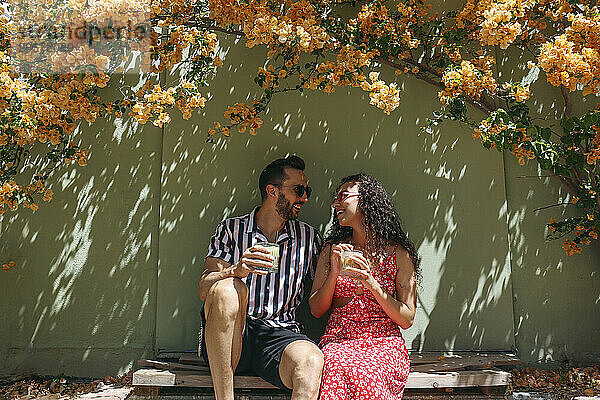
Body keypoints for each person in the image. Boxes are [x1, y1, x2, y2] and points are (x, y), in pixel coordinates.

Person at [198, 155, 324, 400]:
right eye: (299, 190)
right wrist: (236, 270)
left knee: (310, 361)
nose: (305, 198)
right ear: (272, 191)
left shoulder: (309, 238)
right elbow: (204, 289)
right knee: (228, 291)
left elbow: (322, 294)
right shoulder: (231, 230)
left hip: (280, 333)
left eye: (306, 190)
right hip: (233, 334)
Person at [309, 173, 421, 400]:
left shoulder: (399, 254)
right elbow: (316, 309)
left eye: (343, 196)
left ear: (367, 201)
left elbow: (407, 319)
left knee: (368, 375)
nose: (335, 203)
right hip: (339, 339)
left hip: (383, 343)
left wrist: (371, 283)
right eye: (335, 198)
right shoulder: (332, 250)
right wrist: (334, 273)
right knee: (336, 369)